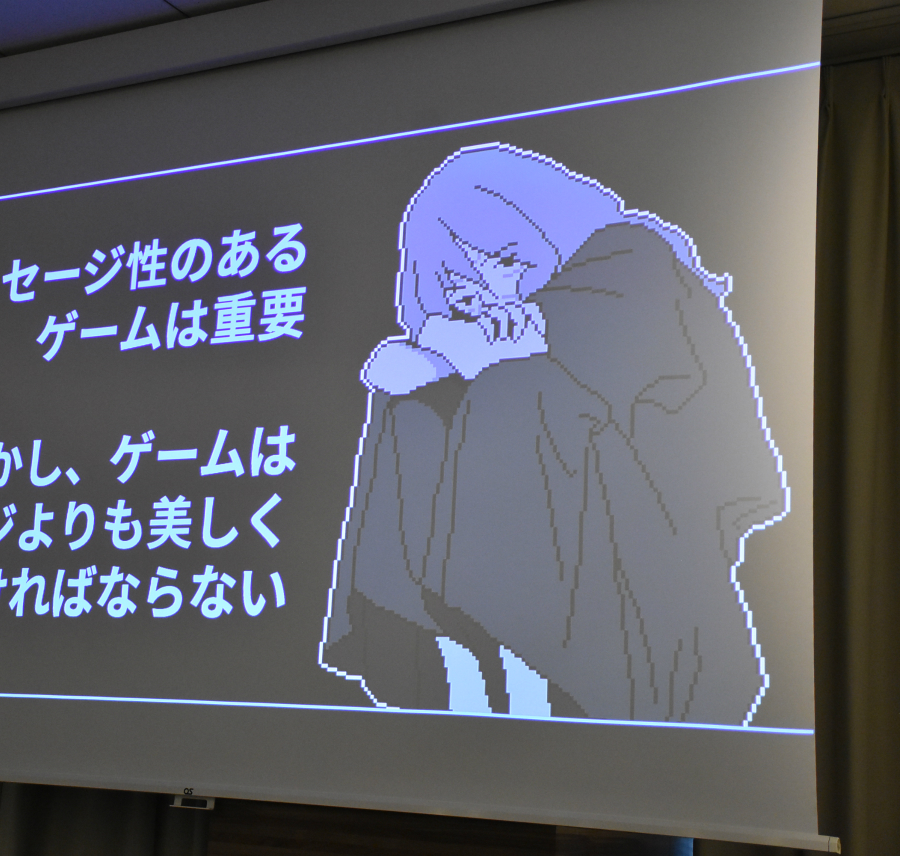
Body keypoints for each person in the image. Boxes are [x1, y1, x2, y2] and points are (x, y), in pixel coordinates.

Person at [319, 144, 786, 725]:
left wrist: (445, 350)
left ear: (544, 224)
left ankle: (521, 654)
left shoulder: (634, 255)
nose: (495, 287)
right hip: (531, 526)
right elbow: (435, 365)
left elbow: (553, 347)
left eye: (509, 258)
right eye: (464, 282)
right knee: (411, 411)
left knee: (515, 389)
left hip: (638, 539)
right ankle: (449, 650)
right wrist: (439, 359)